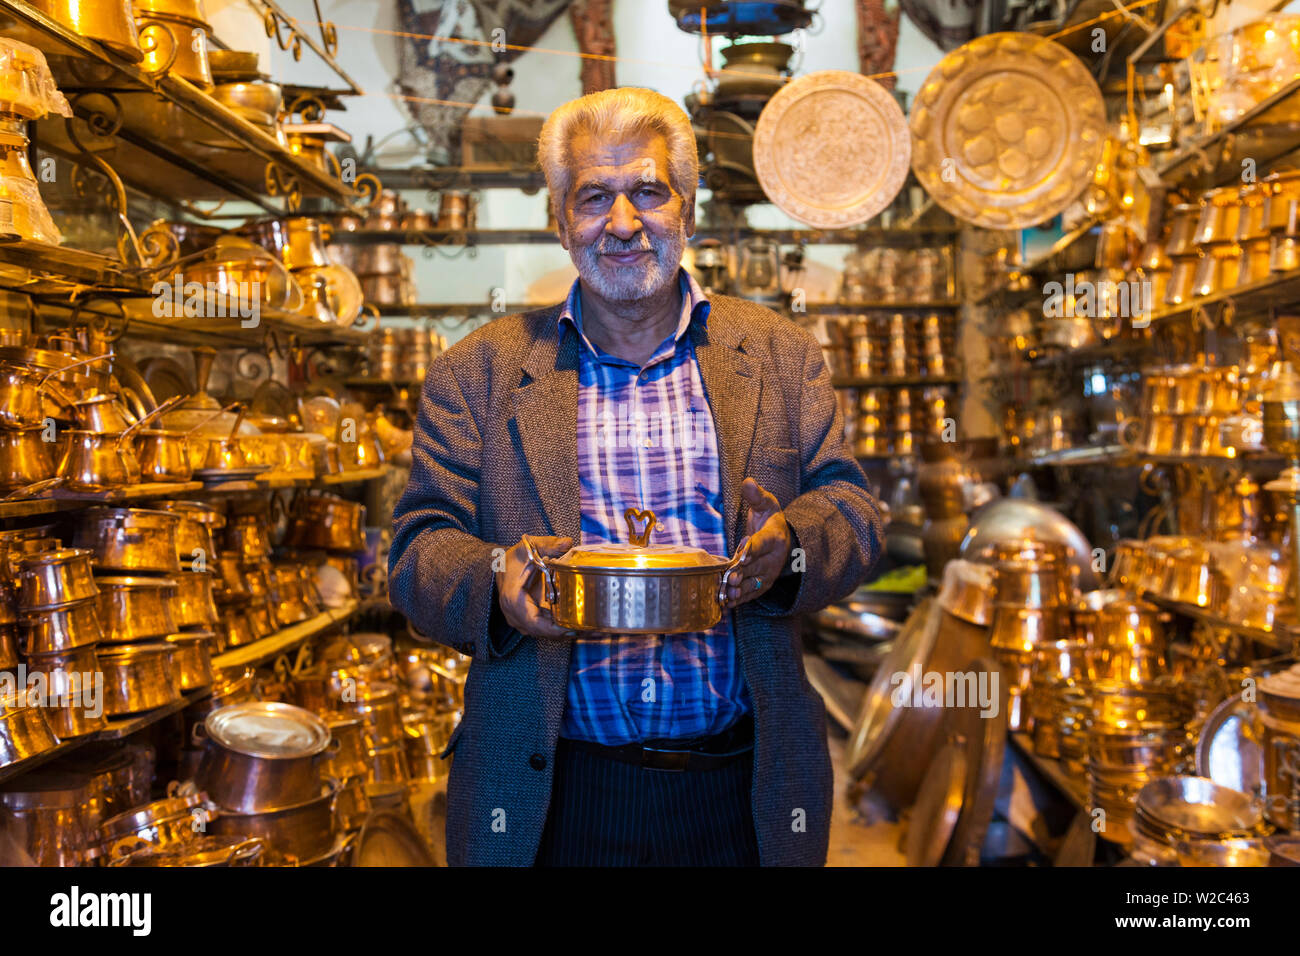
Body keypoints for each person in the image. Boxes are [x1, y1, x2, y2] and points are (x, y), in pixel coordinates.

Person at [388, 87, 882, 866]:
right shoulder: (477, 372)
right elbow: (418, 548)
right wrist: (496, 578)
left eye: (649, 191)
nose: (623, 223)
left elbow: (853, 510)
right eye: (594, 197)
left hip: (742, 791)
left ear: (688, 208)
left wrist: (789, 547)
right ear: (561, 221)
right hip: (553, 796)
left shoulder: (779, 355)